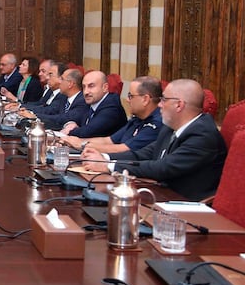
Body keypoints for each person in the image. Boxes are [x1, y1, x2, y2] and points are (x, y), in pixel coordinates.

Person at [81, 79, 226, 201]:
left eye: (164, 100)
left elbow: (162, 168)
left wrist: (109, 166)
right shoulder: (171, 127)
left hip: (184, 206)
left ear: (179, 105)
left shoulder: (203, 135)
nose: (160, 105)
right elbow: (144, 154)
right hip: (159, 195)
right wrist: (104, 159)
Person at [61, 76, 163, 153]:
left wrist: (82, 144)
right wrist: (74, 141)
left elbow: (124, 149)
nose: (127, 100)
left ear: (145, 99)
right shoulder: (137, 119)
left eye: (130, 96)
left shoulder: (156, 124)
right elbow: (109, 140)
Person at [60, 70, 127, 138]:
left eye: (91, 86)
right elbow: (75, 118)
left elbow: (86, 132)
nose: (86, 92)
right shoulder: (91, 102)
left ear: (105, 87)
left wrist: (69, 131)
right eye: (84, 87)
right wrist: (70, 124)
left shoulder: (112, 108)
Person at [21, 68, 87, 130]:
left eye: (62, 79)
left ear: (70, 84)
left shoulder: (82, 101)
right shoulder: (64, 97)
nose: (59, 82)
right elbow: (51, 111)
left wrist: (35, 116)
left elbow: (63, 118)